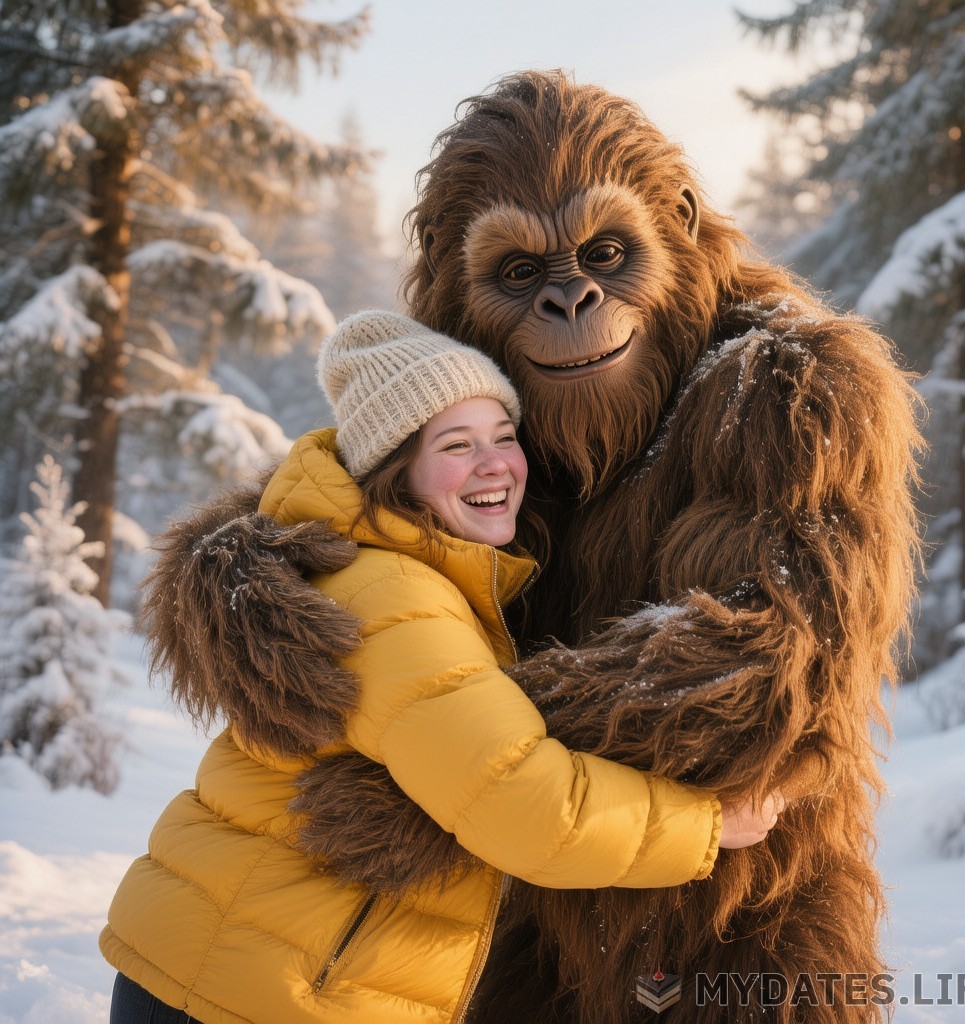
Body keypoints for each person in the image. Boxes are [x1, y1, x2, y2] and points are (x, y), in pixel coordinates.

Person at [101, 311, 783, 1024]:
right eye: (456, 445)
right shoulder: (396, 599)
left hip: (229, 970)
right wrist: (708, 823)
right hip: (249, 990)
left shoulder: (396, 575)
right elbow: (517, 801)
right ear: (395, 473)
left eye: (504, 436)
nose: (495, 464)